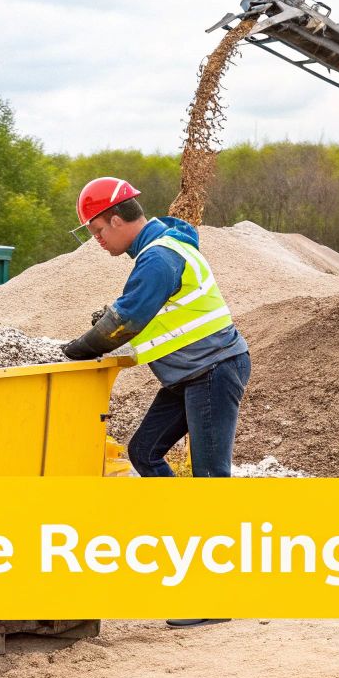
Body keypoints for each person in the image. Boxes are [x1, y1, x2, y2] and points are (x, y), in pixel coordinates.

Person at [60, 177, 250, 481]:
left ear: (117, 220)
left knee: (211, 476)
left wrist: (73, 351)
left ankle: (214, 526)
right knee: (144, 453)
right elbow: (154, 315)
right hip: (192, 372)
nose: (98, 240)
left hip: (213, 368)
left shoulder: (158, 257)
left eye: (98, 231)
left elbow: (124, 323)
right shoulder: (162, 249)